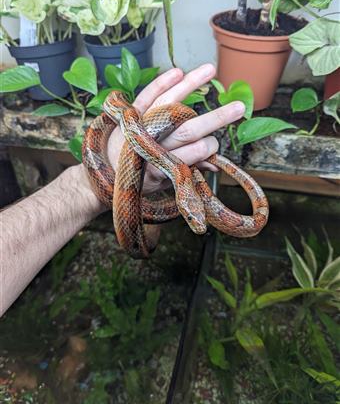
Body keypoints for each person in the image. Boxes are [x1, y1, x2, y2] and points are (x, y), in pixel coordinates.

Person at [0, 64, 245, 316]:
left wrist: (87, 183)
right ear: (184, 201)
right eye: (193, 216)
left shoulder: (180, 178)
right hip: (133, 132)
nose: (197, 223)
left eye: (194, 216)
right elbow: (123, 114)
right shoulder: (176, 172)